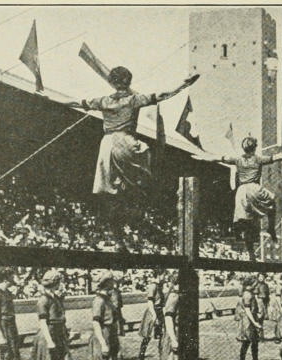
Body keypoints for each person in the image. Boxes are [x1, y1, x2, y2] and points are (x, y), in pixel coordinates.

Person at [66, 68, 199, 250]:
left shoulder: (103, 101)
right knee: (149, 165)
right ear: (128, 82)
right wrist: (183, 84)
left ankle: (118, 236)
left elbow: (77, 103)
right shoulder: (133, 99)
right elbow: (163, 95)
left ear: (112, 82)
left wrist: (46, 96)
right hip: (125, 141)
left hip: (107, 144)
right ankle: (135, 190)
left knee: (109, 193)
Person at [193, 132, 282, 260]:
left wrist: (202, 157)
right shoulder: (258, 159)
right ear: (254, 148)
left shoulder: (238, 160)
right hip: (254, 188)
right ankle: (271, 228)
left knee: (247, 223)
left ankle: (251, 253)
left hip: (241, 192)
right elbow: (277, 157)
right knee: (272, 202)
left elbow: (218, 158)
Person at [29, 270, 75, 360]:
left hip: (59, 334)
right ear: (56, 283)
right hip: (47, 335)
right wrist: (49, 342)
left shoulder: (55, 297)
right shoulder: (43, 300)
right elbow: (43, 322)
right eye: (60, 281)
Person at [87, 271, 124, 360]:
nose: (114, 282)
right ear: (107, 283)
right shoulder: (99, 300)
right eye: (111, 280)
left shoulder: (108, 298)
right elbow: (96, 323)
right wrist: (103, 343)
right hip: (103, 335)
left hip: (112, 333)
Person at [138, 270, 165, 360]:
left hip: (159, 312)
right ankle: (141, 359)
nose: (165, 277)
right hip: (153, 312)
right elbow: (150, 302)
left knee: (162, 335)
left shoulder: (159, 286)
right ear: (159, 275)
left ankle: (162, 358)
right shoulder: (153, 286)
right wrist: (154, 315)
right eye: (164, 275)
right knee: (147, 336)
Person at [160, 274, 180, 360]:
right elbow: (168, 318)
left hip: (183, 334)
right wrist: (173, 339)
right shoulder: (174, 297)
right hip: (176, 334)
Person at [236, 277, 262, 360]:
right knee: (249, 341)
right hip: (248, 320)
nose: (256, 286)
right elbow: (247, 310)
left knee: (251, 341)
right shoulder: (247, 295)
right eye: (255, 284)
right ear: (249, 285)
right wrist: (255, 323)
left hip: (250, 319)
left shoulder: (249, 293)